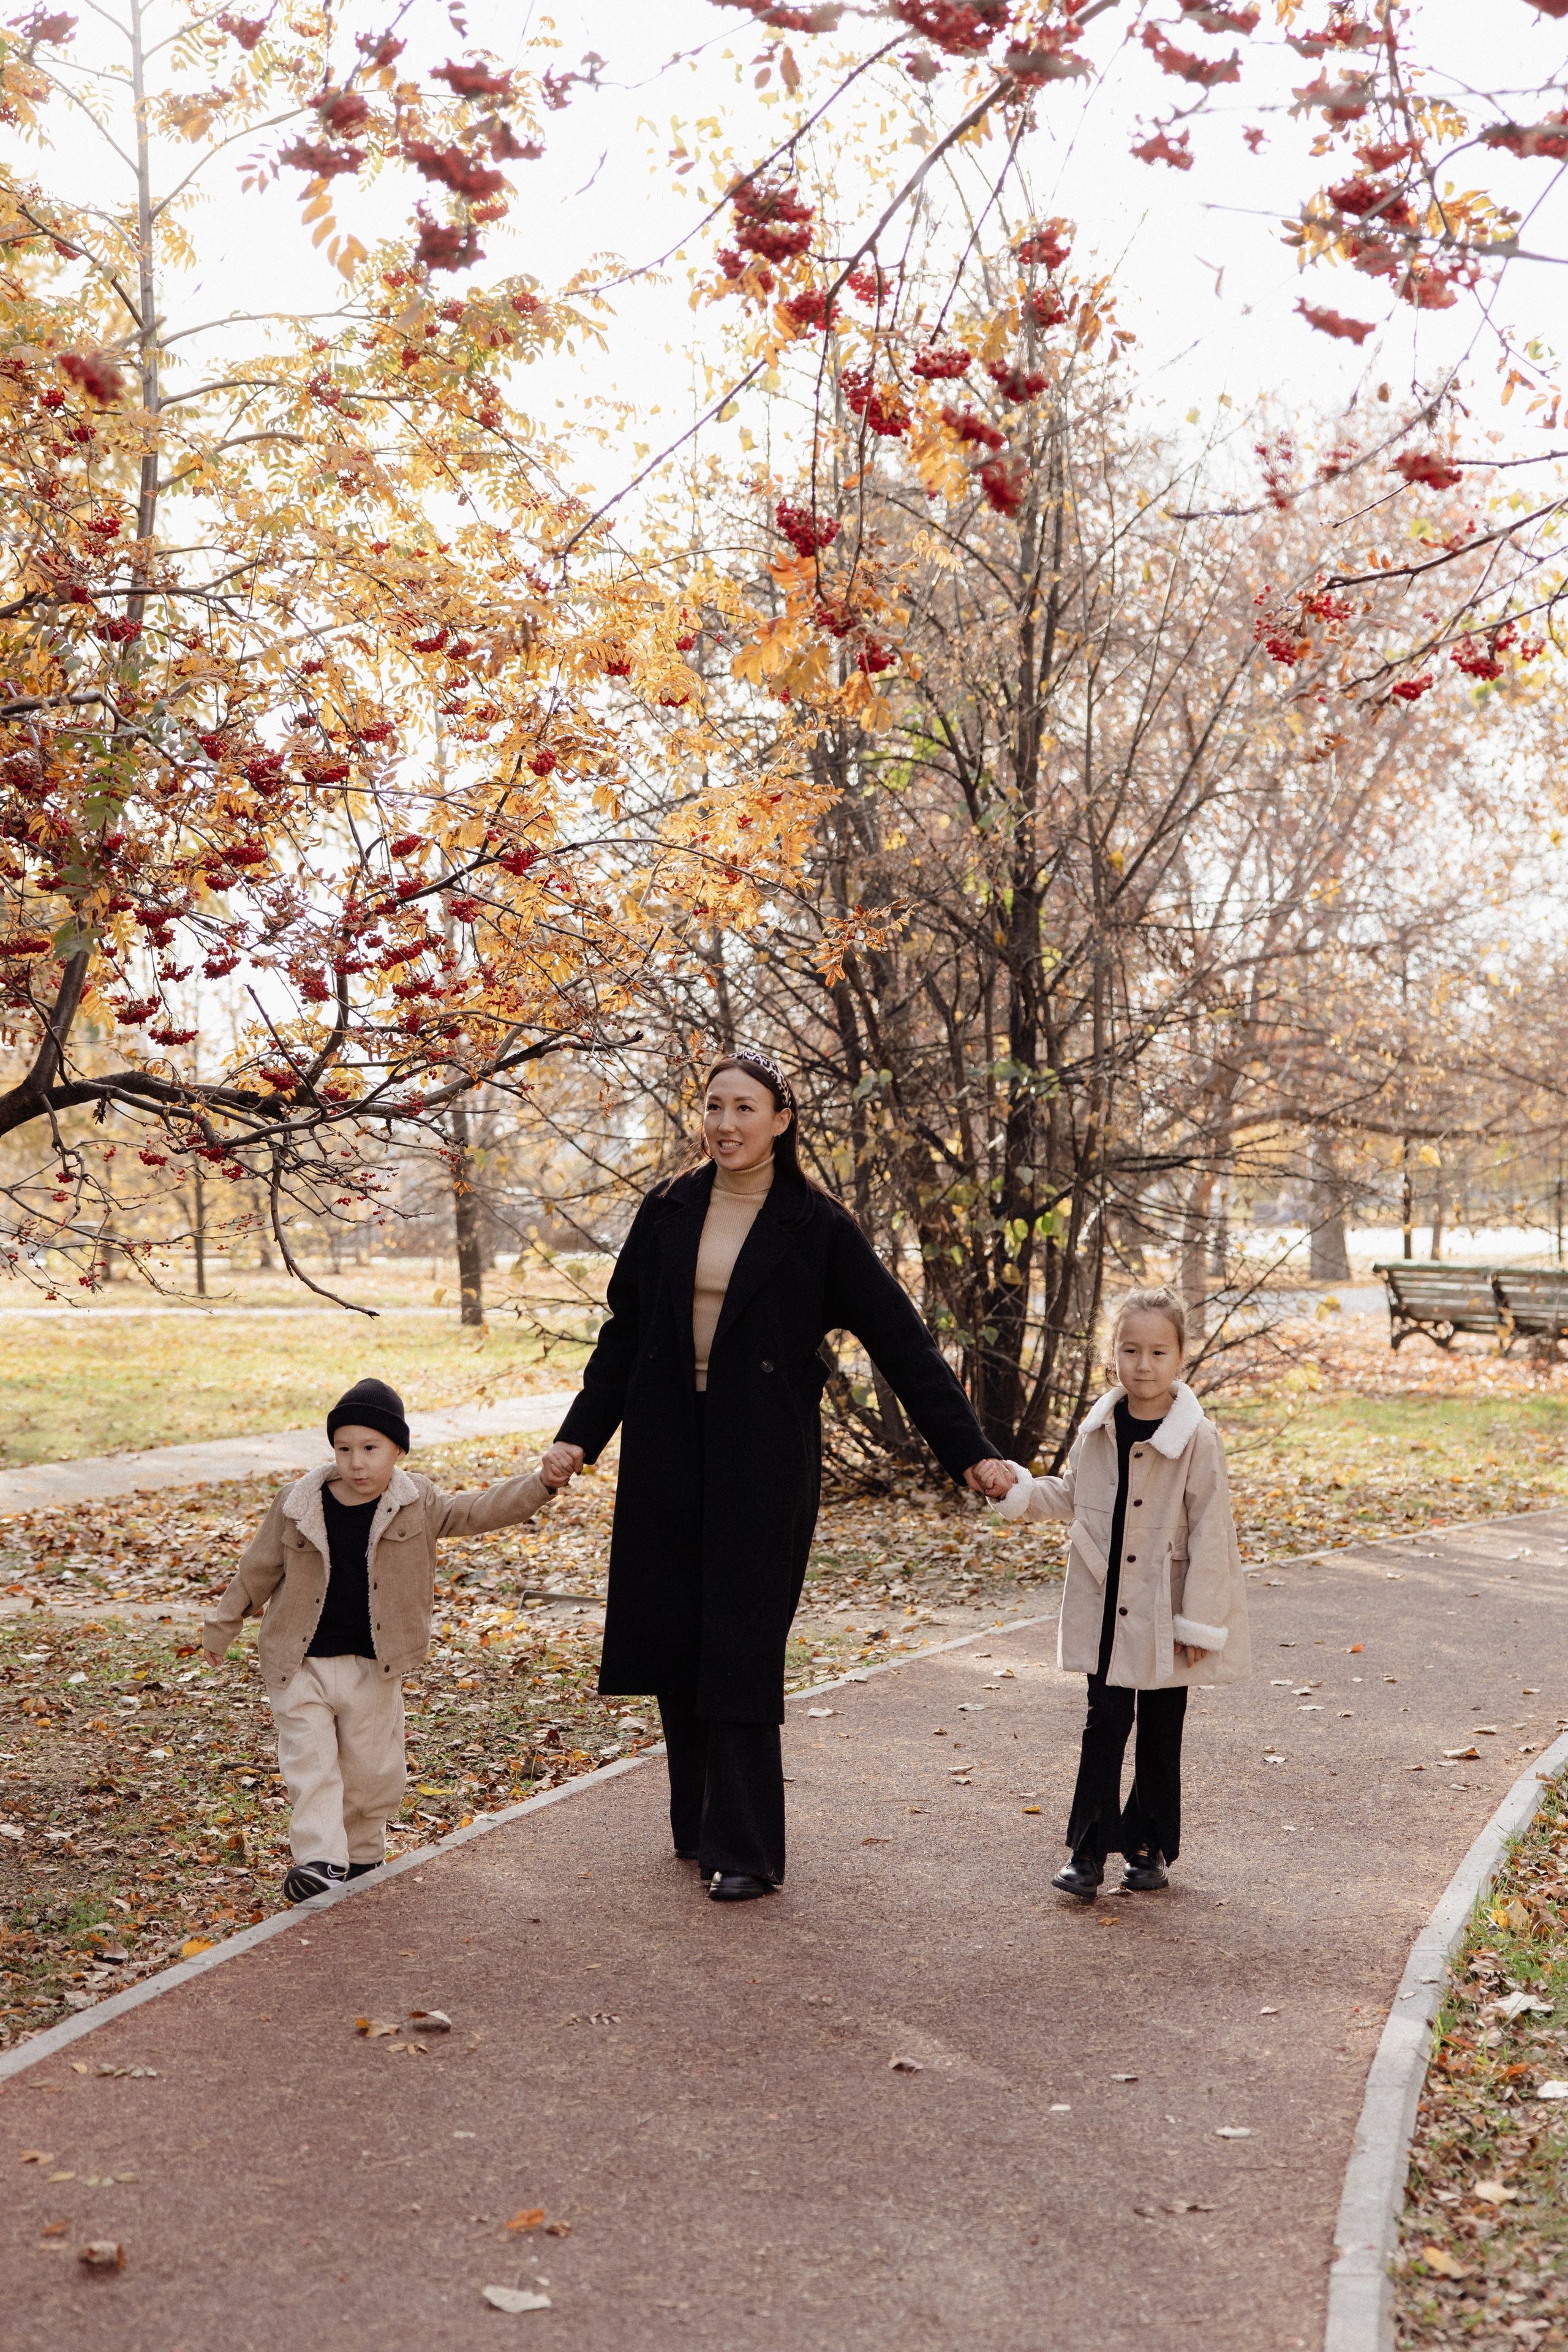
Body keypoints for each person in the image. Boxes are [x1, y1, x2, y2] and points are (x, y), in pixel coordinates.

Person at [542, 1050, 1014, 1903]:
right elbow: (624, 1335)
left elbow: (900, 1343)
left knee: (741, 1640)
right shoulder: (669, 1208)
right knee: (678, 1638)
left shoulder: (815, 1225)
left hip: (762, 1457)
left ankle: (749, 1848)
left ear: (782, 1120)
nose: (726, 1123)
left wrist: (968, 1451)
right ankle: (699, 1825)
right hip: (665, 1448)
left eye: (745, 1108)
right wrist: (580, 1439)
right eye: (714, 1106)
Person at [203, 1376, 575, 1904]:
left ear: (399, 1449)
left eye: (371, 1449)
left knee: (372, 1771)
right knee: (310, 1766)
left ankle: (361, 1854)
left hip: (373, 1664)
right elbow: (258, 1569)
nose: (357, 1463)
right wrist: (223, 1624)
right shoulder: (299, 1503)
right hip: (298, 1660)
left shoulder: (418, 1501)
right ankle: (319, 1860)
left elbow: (482, 1508)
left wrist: (541, 1483)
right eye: (344, 1448)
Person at [994, 1286, 1250, 1899]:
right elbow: (1075, 1495)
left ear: (1180, 1357)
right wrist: (1018, 1492)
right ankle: (1086, 1851)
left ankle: (1148, 1847)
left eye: (1158, 1352)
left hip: (1166, 1611)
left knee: (1161, 1731)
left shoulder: (1197, 1440)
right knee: (1103, 1723)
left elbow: (1212, 1535)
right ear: (1113, 1353)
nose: (1143, 1365)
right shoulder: (1099, 1428)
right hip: (1107, 1608)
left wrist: (1199, 1622)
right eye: (1130, 1350)